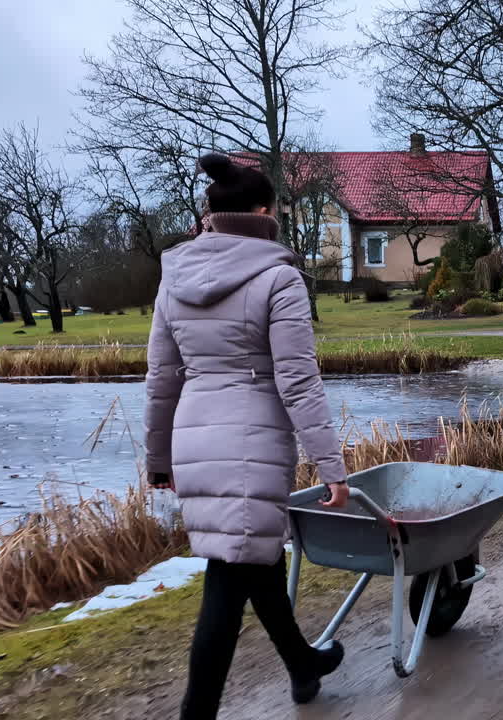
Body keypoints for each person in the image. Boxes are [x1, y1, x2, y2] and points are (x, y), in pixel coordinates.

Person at [144, 152, 351, 719]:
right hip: (251, 445)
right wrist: (331, 467)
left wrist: (159, 459)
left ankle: (303, 664)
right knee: (226, 583)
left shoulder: (174, 278)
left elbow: (162, 378)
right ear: (263, 211)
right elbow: (298, 381)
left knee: (254, 561)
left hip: (196, 441)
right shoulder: (278, 276)